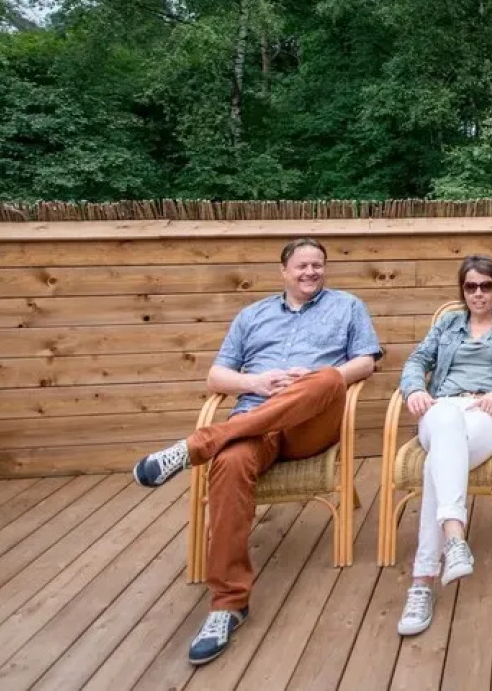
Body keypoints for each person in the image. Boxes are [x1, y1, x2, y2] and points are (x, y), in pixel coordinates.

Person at [130, 237, 381, 665]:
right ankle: (228, 604)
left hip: (309, 426)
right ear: (283, 271)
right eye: (301, 266)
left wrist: (317, 377)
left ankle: (197, 445)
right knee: (227, 462)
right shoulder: (252, 315)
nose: (310, 272)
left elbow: (367, 362)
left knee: (323, 380)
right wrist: (256, 383)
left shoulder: (347, 306)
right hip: (254, 423)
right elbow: (216, 376)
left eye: (317, 265)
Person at [394, 255, 492, 636]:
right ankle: (455, 539)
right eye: (470, 286)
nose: (478, 293)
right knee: (444, 417)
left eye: (486, 286)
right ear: (462, 291)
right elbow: (416, 361)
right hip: (443, 408)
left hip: (487, 412)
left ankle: (422, 583)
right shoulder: (447, 325)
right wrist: (413, 389)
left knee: (434, 467)